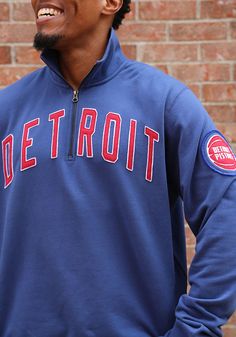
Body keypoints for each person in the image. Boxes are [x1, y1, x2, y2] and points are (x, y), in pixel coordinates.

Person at [0, 0, 235, 336]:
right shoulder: (7, 110)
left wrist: (195, 326)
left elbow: (227, 211)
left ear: (111, 3)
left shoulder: (164, 102)